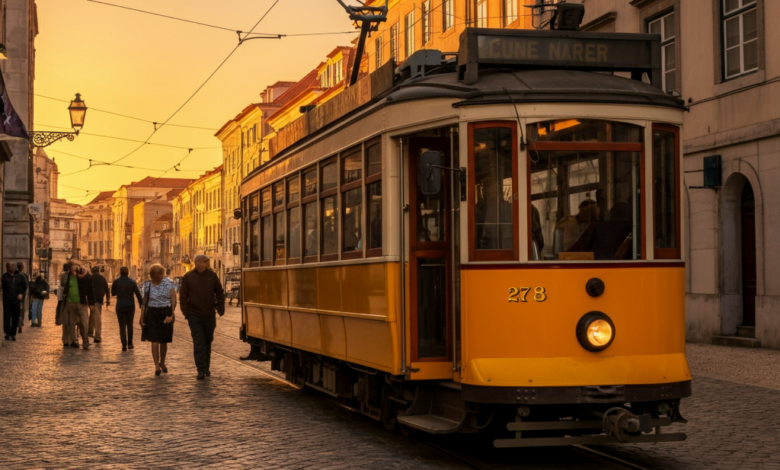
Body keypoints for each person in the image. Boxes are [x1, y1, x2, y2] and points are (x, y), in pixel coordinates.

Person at [179, 254, 225, 380]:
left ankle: (206, 367)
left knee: (208, 340)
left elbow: (219, 292)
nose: (206, 264)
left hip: (209, 314)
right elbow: (183, 296)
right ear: (198, 263)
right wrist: (186, 312)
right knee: (198, 341)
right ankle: (201, 369)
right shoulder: (188, 277)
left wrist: (221, 307)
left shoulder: (212, 276)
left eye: (207, 262)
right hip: (194, 315)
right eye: (204, 262)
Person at [140, 264, 177, 376]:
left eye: (159, 275)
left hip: (165, 312)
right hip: (152, 313)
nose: (157, 278)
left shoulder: (169, 283)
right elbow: (144, 303)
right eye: (155, 276)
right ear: (151, 276)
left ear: (162, 274)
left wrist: (171, 314)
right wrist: (142, 317)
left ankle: (162, 362)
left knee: (163, 341)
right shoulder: (147, 285)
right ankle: (157, 365)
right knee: (154, 340)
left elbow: (173, 298)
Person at [61, 262, 95, 350]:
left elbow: (90, 288)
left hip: (82, 303)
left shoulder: (83, 275)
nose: (76, 267)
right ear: (70, 267)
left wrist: (91, 303)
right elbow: (65, 287)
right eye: (74, 265)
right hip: (70, 304)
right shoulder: (67, 276)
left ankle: (85, 342)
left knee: (84, 323)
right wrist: (65, 294)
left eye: (77, 265)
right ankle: (74, 341)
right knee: (72, 324)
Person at [111, 266, 143, 351]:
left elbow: (113, 293)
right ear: (128, 272)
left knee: (122, 325)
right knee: (130, 324)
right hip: (130, 305)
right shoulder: (132, 282)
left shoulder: (116, 282)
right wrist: (141, 304)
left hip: (120, 305)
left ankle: (123, 344)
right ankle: (130, 343)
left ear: (120, 272)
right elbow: (138, 294)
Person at [2, 262, 27, 341]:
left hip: (16, 300)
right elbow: (2, 287)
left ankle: (13, 333)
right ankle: (7, 332)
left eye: (12, 266)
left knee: (15, 317)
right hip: (7, 300)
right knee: (7, 317)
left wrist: (21, 294)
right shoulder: (4, 277)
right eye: (9, 267)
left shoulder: (20, 276)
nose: (11, 268)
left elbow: (25, 286)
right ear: (7, 268)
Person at [88, 266, 110, 343]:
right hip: (99, 300)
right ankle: (94, 334)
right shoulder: (102, 278)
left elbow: (87, 290)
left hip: (92, 301)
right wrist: (107, 300)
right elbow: (107, 290)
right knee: (96, 317)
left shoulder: (90, 278)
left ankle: (93, 334)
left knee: (94, 316)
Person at [15, 262, 30, 334]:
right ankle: (20, 323)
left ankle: (17, 322)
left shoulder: (14, 275)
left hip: (15, 295)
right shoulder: (24, 276)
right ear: (23, 267)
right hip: (21, 295)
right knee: (21, 309)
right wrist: (24, 293)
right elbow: (26, 286)